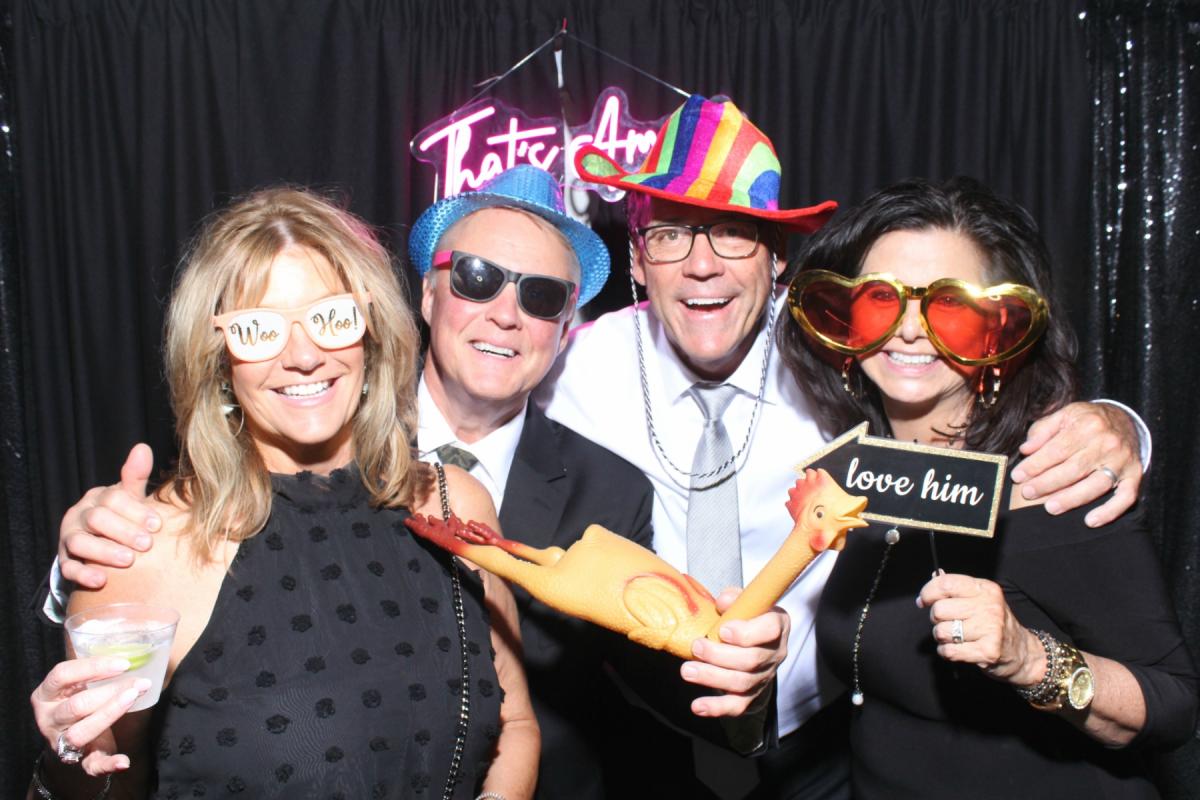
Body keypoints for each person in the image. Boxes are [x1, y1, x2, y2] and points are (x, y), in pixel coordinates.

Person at [44, 166, 787, 799]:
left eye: (540, 297)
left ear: (566, 327)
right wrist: (79, 568)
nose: (506, 313)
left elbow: (646, 690)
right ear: (424, 297)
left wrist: (741, 665)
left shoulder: (593, 490)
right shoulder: (193, 507)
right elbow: (112, 742)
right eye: (477, 279)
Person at [538, 94, 1152, 797]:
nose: (701, 264)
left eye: (734, 234)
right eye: (672, 234)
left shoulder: (842, 348)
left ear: (777, 259)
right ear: (638, 258)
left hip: (827, 742)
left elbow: (974, 387)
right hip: (648, 733)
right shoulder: (572, 366)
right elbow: (469, 403)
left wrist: (1118, 425)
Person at [29, 187, 539, 799]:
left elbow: (515, 722)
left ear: (372, 332)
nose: (302, 355)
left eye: (331, 318)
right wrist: (67, 759)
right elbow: (106, 777)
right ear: (219, 361)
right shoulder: (141, 551)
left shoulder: (457, 503)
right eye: (257, 330)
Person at [778, 176, 1197, 798]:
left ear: (999, 328)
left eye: (950, 304)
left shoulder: (1047, 479)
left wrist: (1029, 659)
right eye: (879, 297)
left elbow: (1173, 704)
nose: (910, 329)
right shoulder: (864, 467)